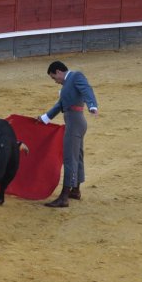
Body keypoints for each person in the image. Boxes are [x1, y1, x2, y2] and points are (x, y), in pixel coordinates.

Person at [38, 61, 99, 208]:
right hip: (75, 121)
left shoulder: (76, 76)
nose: (55, 81)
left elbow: (87, 89)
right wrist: (44, 118)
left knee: (70, 158)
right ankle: (75, 190)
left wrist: (92, 105)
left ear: (59, 71)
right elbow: (60, 105)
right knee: (77, 156)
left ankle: (64, 196)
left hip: (74, 122)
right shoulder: (67, 84)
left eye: (54, 78)